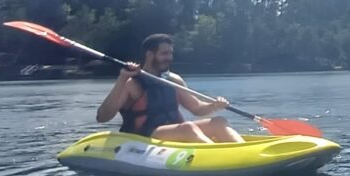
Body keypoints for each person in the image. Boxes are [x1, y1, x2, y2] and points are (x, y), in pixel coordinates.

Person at [96, 33, 244, 143]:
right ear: (150, 55)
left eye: (171, 53)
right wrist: (122, 78)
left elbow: (197, 108)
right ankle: (218, 156)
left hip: (177, 131)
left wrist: (214, 105)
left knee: (219, 122)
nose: (170, 58)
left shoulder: (173, 80)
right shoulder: (131, 82)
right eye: (164, 53)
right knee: (188, 128)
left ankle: (241, 151)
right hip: (144, 135)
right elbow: (102, 117)